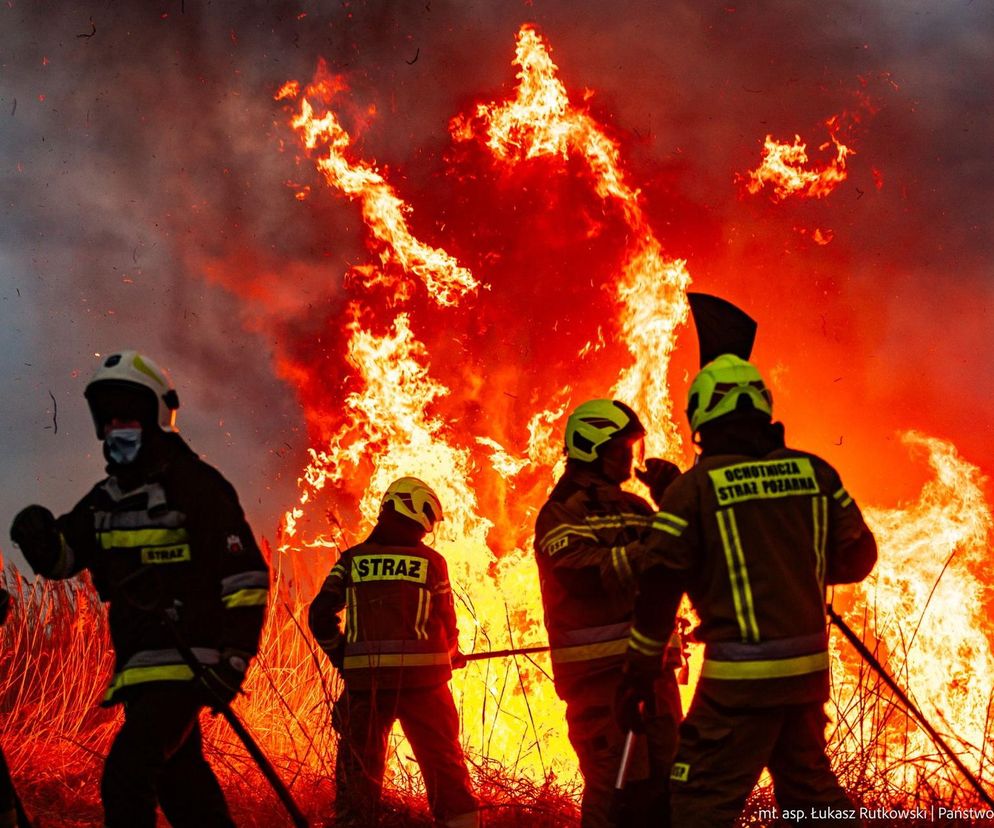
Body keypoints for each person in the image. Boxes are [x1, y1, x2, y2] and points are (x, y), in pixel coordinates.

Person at [9, 350, 270, 828]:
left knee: (126, 778)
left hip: (188, 665)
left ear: (155, 417)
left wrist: (234, 659)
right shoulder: (105, 500)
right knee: (182, 786)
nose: (116, 429)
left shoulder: (196, 486)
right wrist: (39, 540)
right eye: (107, 419)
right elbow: (66, 558)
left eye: (126, 417)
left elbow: (246, 578)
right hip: (139, 669)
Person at [618, 354, 877, 827]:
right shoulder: (815, 473)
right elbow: (859, 557)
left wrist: (639, 669)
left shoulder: (695, 491)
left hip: (739, 684)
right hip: (806, 676)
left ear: (702, 419)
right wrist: (791, 569)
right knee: (809, 791)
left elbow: (660, 583)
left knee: (698, 797)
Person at [533, 399, 683, 827]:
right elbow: (579, 574)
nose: (631, 458)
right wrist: (652, 549)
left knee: (670, 788)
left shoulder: (636, 508)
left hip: (653, 674)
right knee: (614, 792)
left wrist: (676, 501)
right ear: (591, 447)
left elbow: (682, 556)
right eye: (622, 449)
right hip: (599, 682)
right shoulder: (563, 511)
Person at [309, 477, 480, 828]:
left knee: (358, 774)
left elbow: (319, 615)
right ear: (416, 511)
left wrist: (343, 658)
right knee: (444, 766)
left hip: (366, 688)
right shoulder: (431, 562)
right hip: (425, 687)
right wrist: (451, 654)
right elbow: (447, 623)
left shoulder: (352, 560)